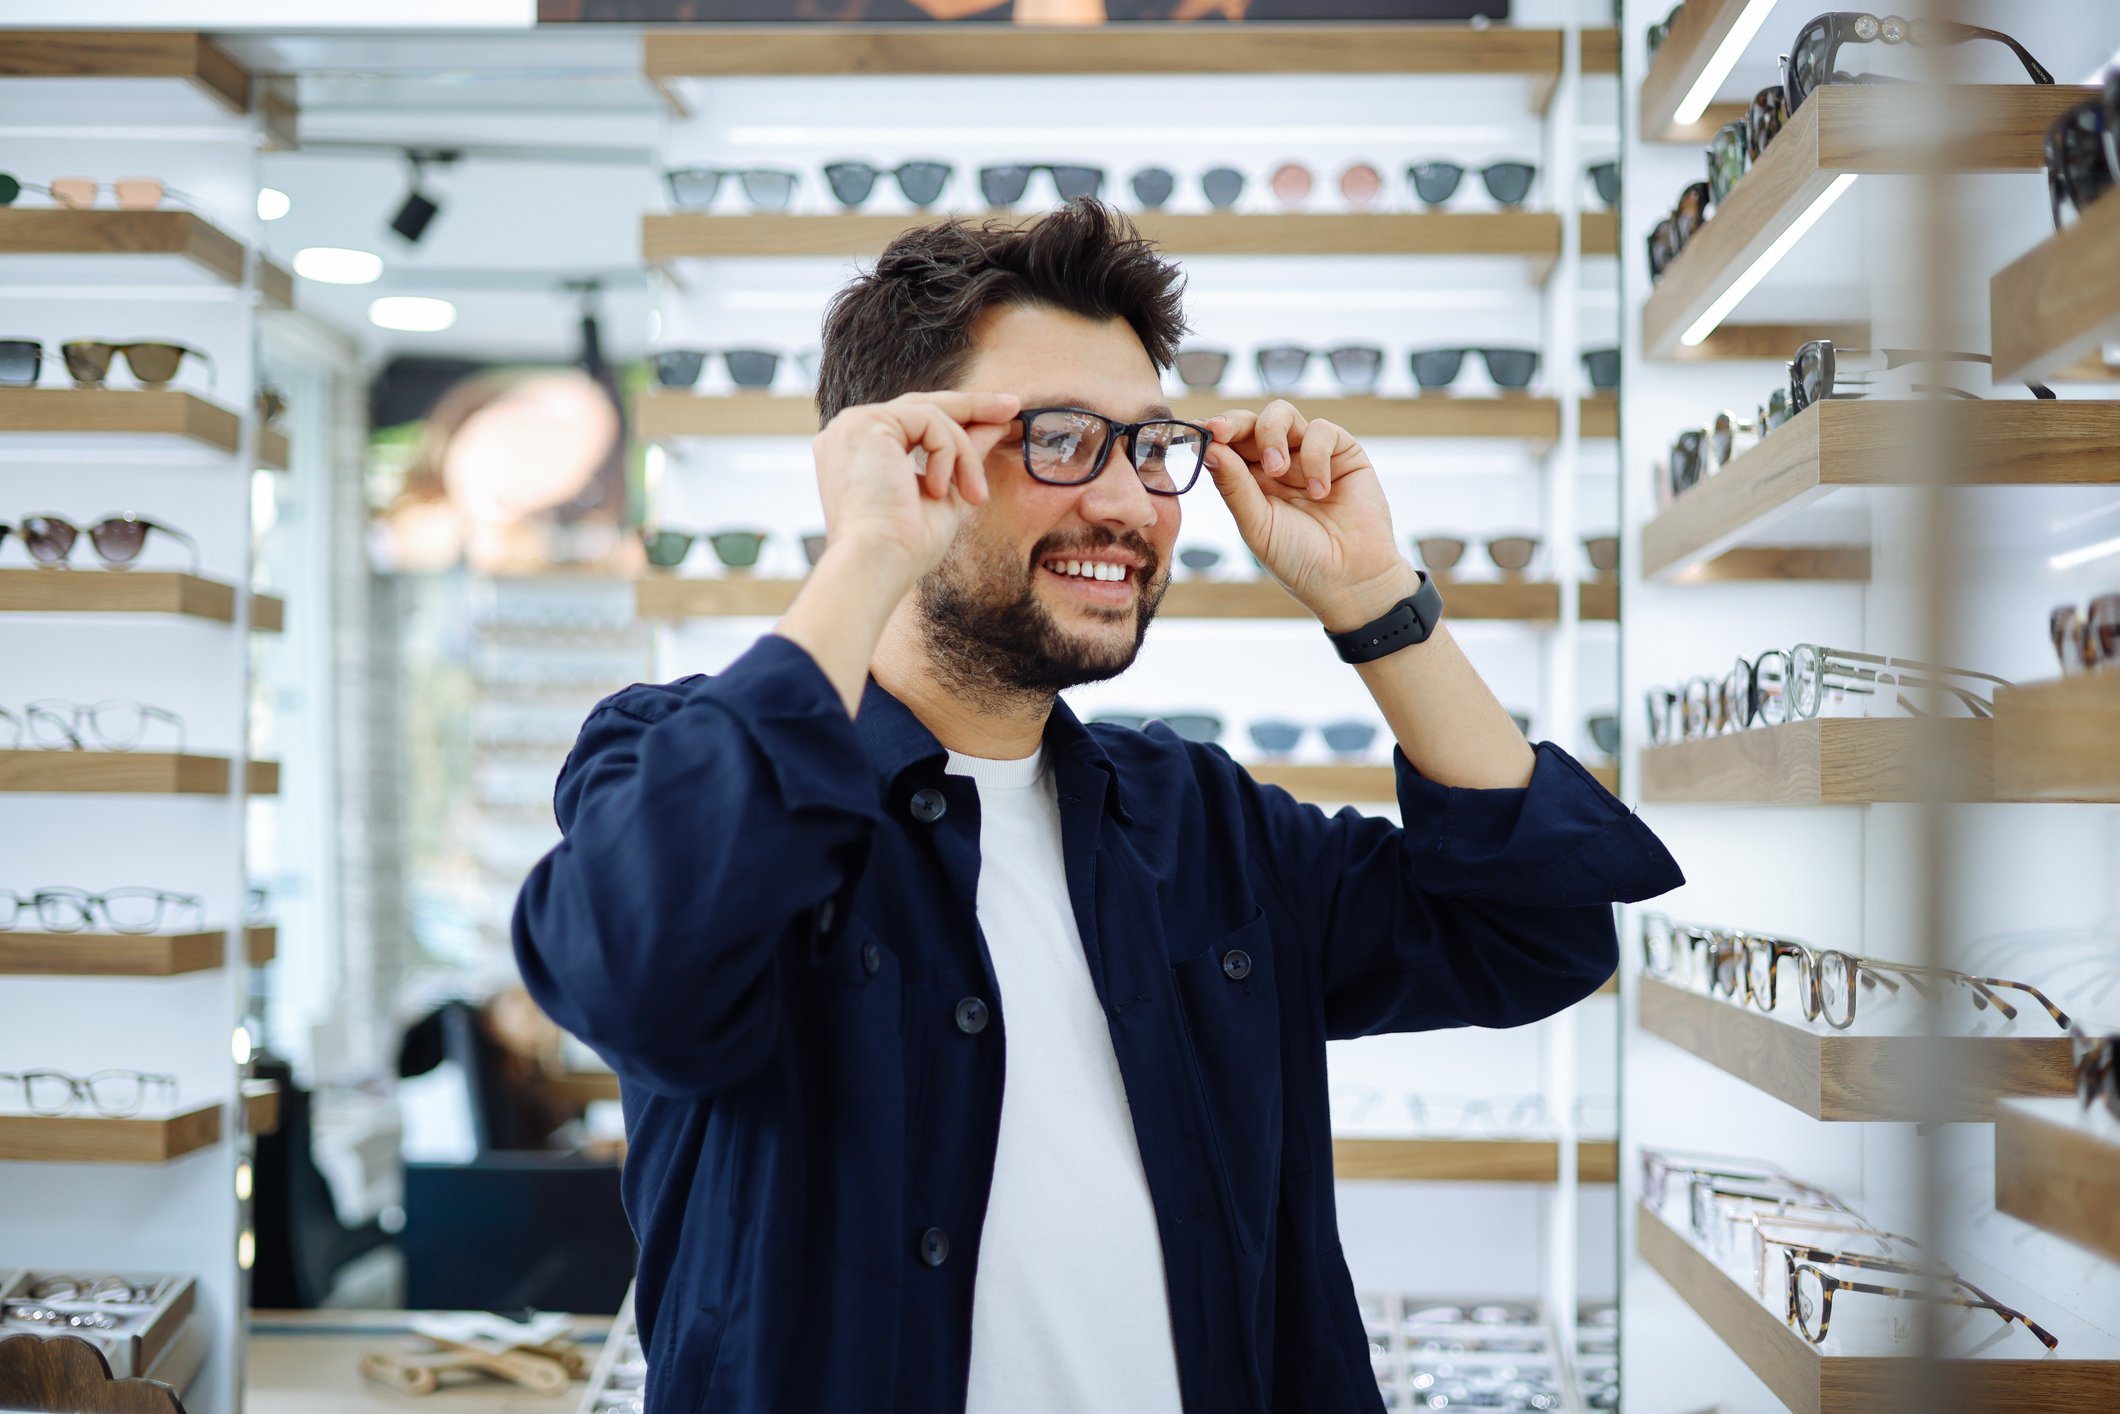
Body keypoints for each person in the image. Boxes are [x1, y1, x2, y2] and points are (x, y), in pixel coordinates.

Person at [515, 199, 1681, 1414]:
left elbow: (1537, 930)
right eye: (1061, 439)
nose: (1128, 503)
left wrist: (1371, 596)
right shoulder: (672, 763)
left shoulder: (1201, 830)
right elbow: (632, 965)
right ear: (908, 453)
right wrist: (863, 556)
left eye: (1147, 444)